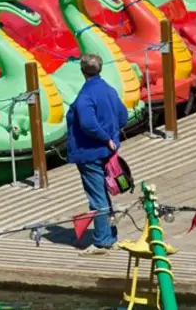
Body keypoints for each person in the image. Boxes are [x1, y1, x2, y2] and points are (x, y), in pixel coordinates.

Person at [66, 53, 128, 255]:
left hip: (90, 153)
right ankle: (110, 236)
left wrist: (104, 138)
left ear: (82, 71)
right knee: (104, 194)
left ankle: (101, 241)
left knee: (97, 197)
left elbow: (88, 123)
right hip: (107, 152)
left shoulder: (85, 95)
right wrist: (113, 137)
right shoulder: (109, 90)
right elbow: (123, 115)